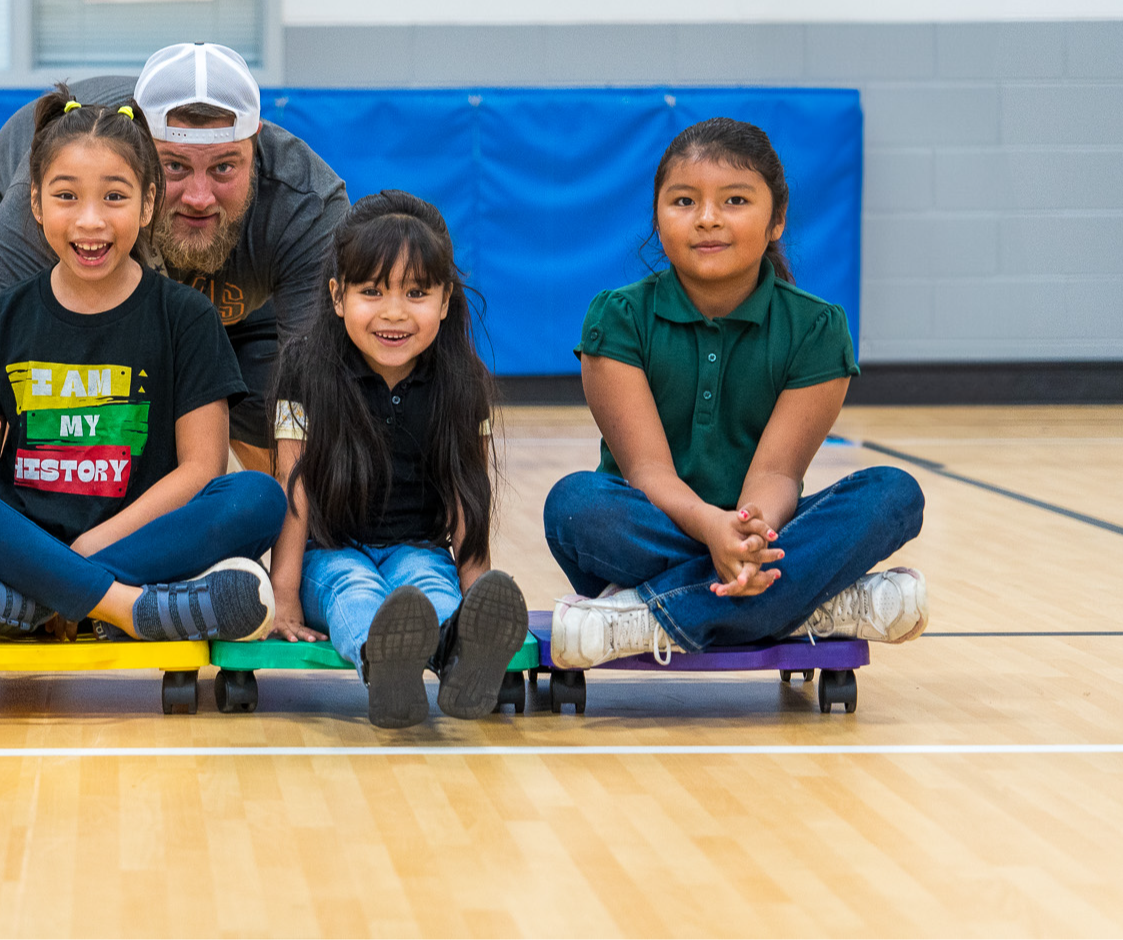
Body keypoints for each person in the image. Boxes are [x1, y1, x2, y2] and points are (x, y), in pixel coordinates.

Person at [0, 42, 348, 622]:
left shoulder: (306, 205)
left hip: (238, 312)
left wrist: (289, 590)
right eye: (174, 167)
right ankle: (135, 603)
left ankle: (28, 590)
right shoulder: (60, 197)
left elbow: (302, 414)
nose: (197, 195)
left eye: (224, 168)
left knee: (268, 480)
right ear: (142, 157)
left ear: (255, 143)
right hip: (58, 248)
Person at [544, 119, 928, 669]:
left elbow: (776, 475)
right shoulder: (619, 316)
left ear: (777, 220)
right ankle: (810, 602)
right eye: (683, 200)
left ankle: (645, 617)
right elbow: (647, 472)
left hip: (763, 530)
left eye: (735, 200)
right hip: (653, 529)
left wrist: (746, 539)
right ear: (657, 214)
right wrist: (714, 533)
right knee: (575, 505)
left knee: (894, 493)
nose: (707, 219)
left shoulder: (817, 329)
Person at [265, 192, 528, 728]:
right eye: (372, 291)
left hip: (418, 548)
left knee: (430, 590)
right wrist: (284, 595)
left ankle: (462, 659)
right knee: (354, 591)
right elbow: (292, 486)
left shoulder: (462, 381)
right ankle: (383, 667)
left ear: (446, 299)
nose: (394, 312)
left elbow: (466, 489)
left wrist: (477, 584)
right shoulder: (303, 368)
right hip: (330, 553)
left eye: (416, 292)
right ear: (338, 296)